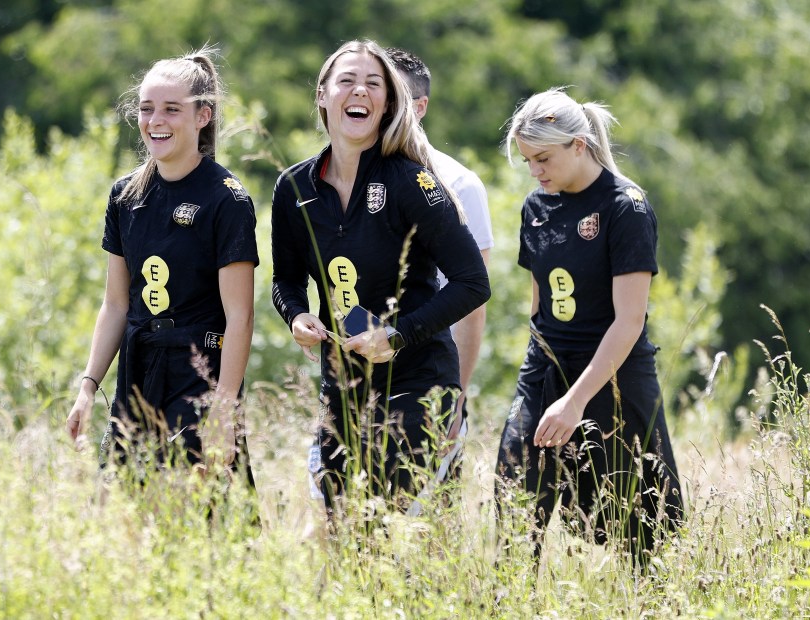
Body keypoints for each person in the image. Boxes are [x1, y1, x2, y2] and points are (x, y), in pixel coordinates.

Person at [270, 40, 491, 514]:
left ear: (389, 103)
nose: (360, 91)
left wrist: (397, 336)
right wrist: (296, 315)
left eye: (374, 84)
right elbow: (284, 281)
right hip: (342, 385)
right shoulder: (293, 187)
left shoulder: (412, 181)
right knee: (341, 532)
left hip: (418, 380)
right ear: (323, 95)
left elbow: (474, 282)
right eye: (347, 80)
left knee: (396, 530)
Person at [494, 87, 683, 567]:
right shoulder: (535, 208)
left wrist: (575, 401)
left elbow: (629, 320)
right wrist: (542, 384)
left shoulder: (626, 207)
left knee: (640, 536)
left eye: (543, 158)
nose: (535, 171)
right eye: (528, 161)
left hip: (614, 378)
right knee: (515, 509)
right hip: (546, 373)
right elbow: (538, 307)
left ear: (579, 145)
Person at [65, 47, 259, 485]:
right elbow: (115, 305)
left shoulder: (226, 199)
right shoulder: (125, 196)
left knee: (204, 517)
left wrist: (224, 412)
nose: (156, 120)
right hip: (138, 370)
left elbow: (240, 316)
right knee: (118, 512)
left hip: (199, 373)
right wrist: (88, 387)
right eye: (147, 108)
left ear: (202, 117)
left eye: (172, 109)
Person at [386, 46, 494, 473]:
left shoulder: (458, 183)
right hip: (360, 382)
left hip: (431, 378)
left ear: (421, 106)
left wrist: (457, 400)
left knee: (430, 527)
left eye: (396, 96)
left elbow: (472, 302)